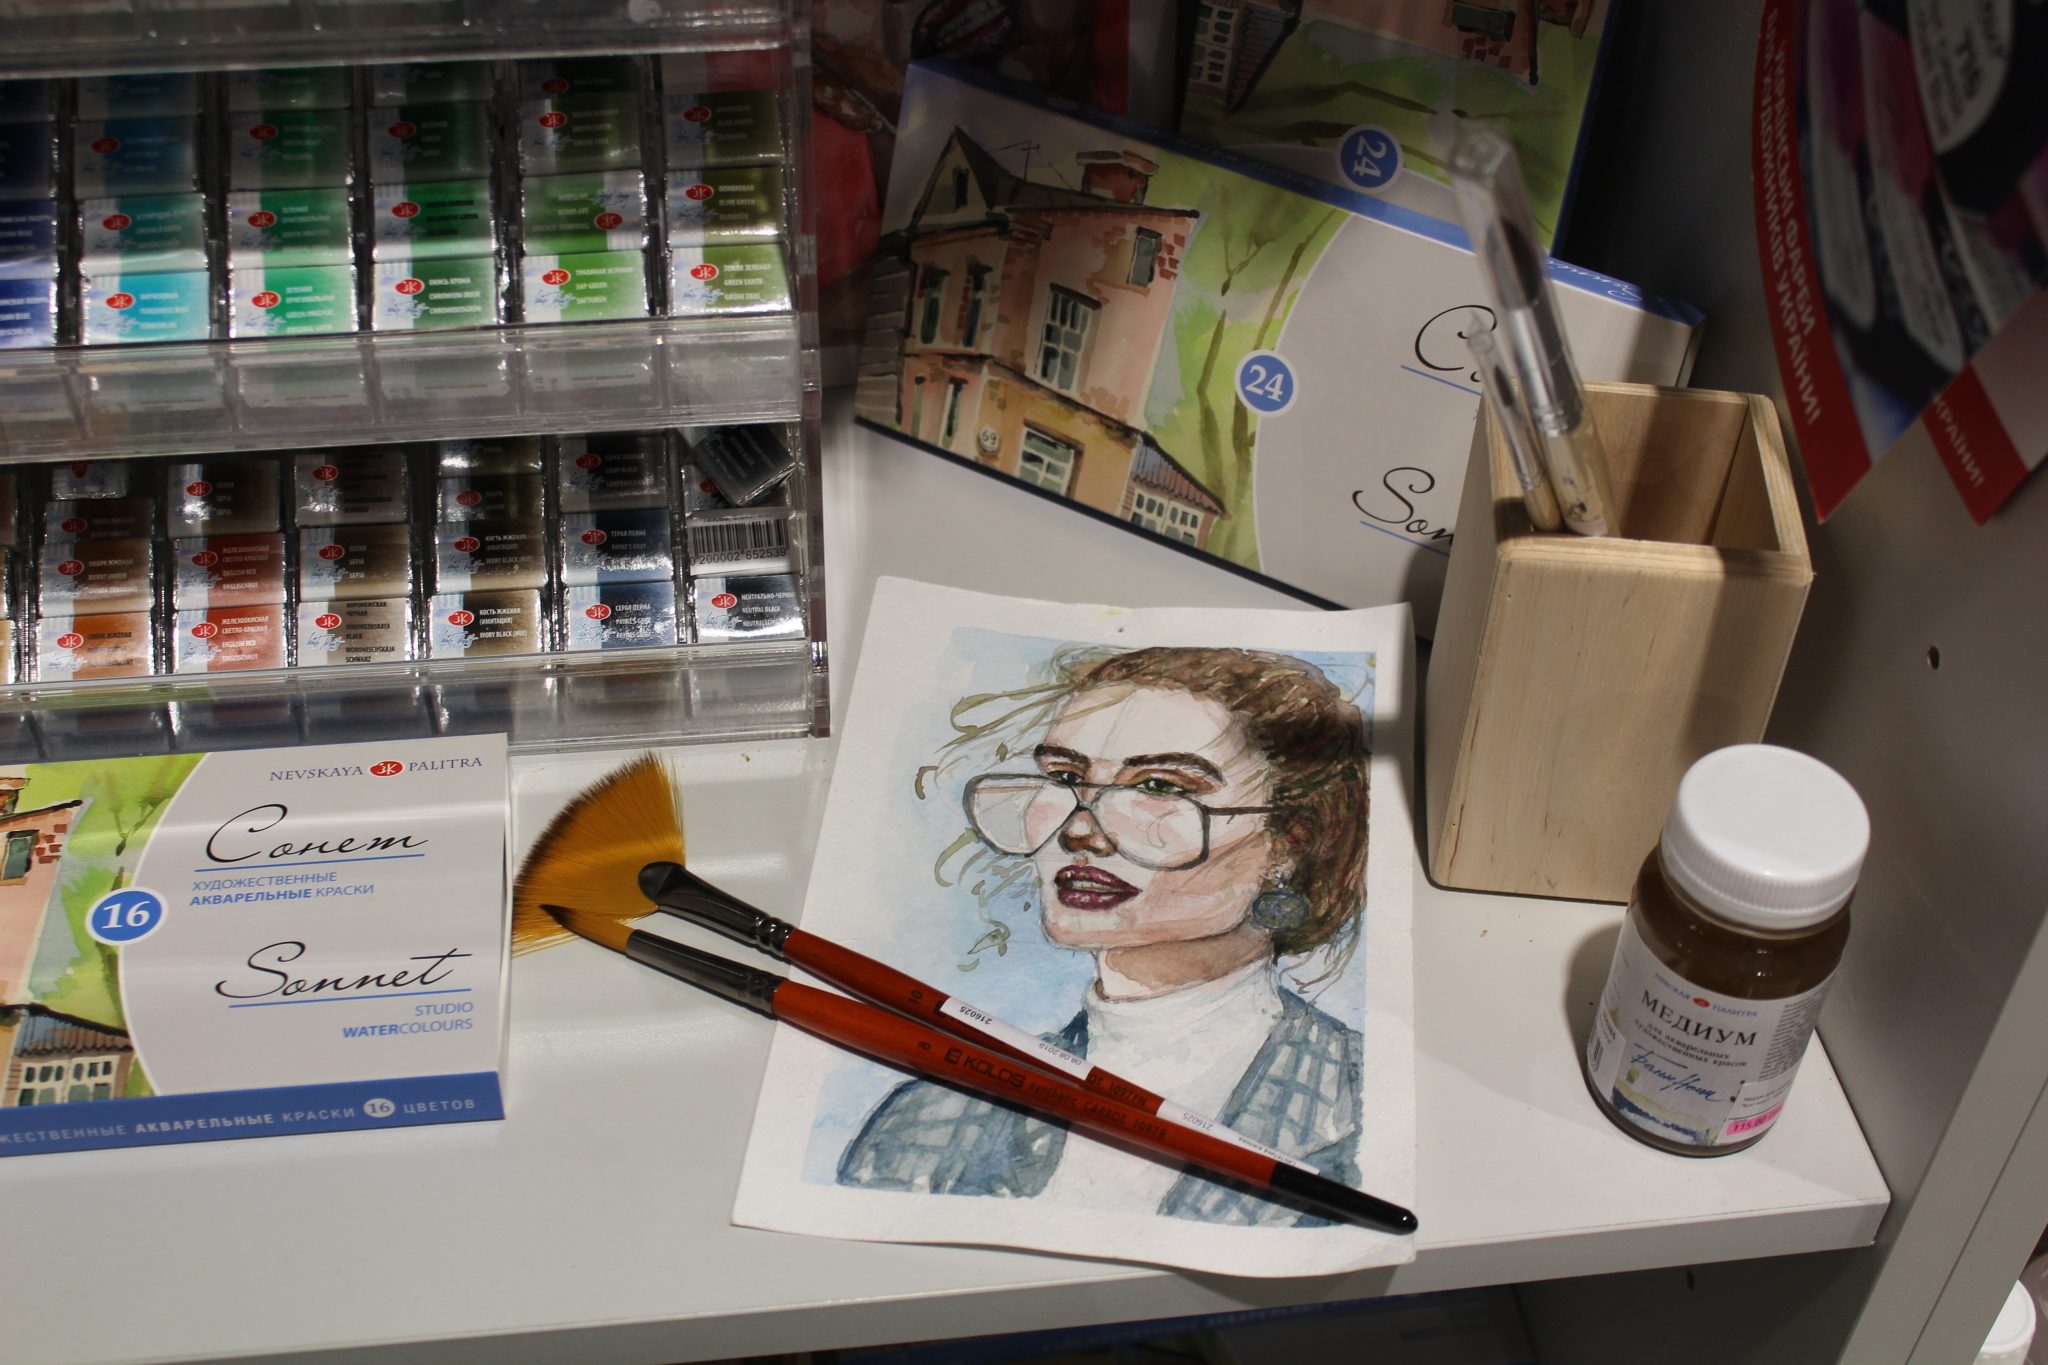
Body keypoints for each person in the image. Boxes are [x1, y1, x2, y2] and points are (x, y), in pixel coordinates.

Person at [836, 645, 1371, 1226]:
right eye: (1064, 778)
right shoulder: (932, 1117)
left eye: (1160, 787)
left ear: (1288, 842)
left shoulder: (1359, 1098)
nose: (1079, 830)